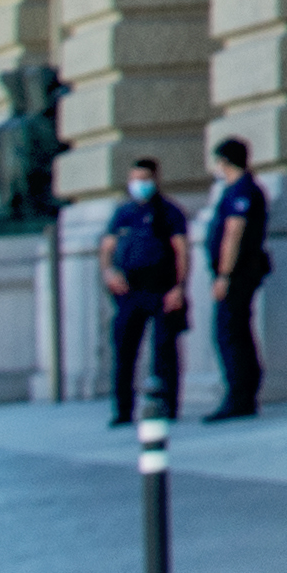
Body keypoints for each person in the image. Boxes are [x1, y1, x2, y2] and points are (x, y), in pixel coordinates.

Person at [96, 156, 192, 429]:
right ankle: (123, 409)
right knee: (124, 350)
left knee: (164, 349)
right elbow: (107, 248)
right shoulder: (123, 213)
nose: (140, 185)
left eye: (145, 179)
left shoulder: (169, 212)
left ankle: (167, 405)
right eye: (135, 179)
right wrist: (109, 272)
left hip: (161, 288)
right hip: (129, 290)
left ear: (155, 179)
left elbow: (181, 250)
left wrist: (179, 287)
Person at [198, 138, 276, 421]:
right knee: (236, 331)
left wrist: (224, 275)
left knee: (229, 332)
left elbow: (234, 233)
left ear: (224, 162)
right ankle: (242, 393)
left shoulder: (242, 191)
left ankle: (239, 395)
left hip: (239, 273)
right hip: (240, 272)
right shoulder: (237, 190)